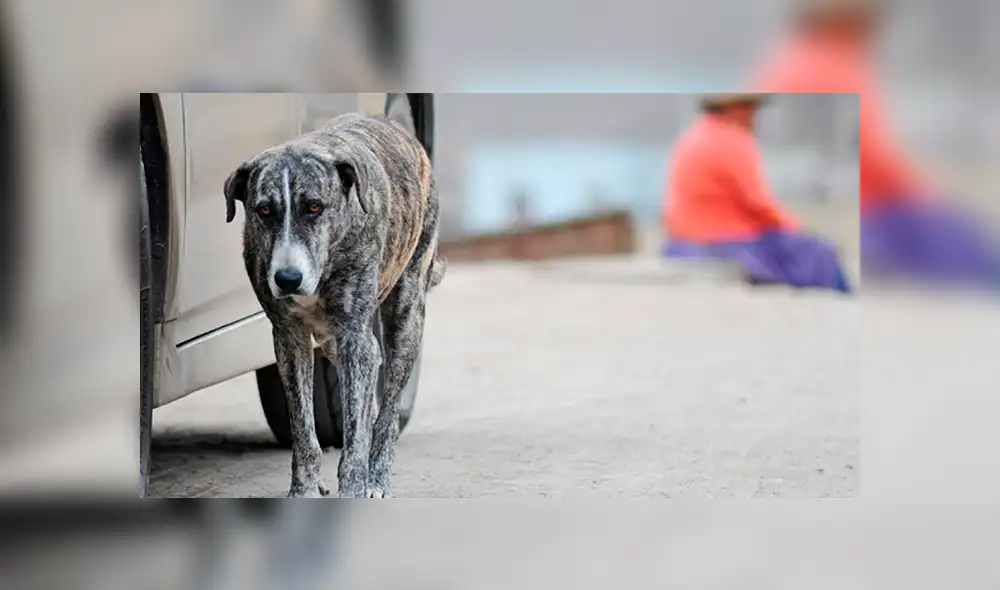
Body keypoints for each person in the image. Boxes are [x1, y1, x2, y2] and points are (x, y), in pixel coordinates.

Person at [754, 0, 1000, 289]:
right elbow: (876, 161)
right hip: (863, 214)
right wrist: (928, 194)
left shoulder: (790, 58)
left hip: (810, 209)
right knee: (965, 242)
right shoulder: (833, 64)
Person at [662, 93, 852, 293]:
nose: (755, 115)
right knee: (820, 252)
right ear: (736, 109)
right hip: (725, 241)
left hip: (683, 241)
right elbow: (758, 203)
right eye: (751, 108)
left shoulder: (692, 136)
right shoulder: (734, 140)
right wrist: (797, 228)